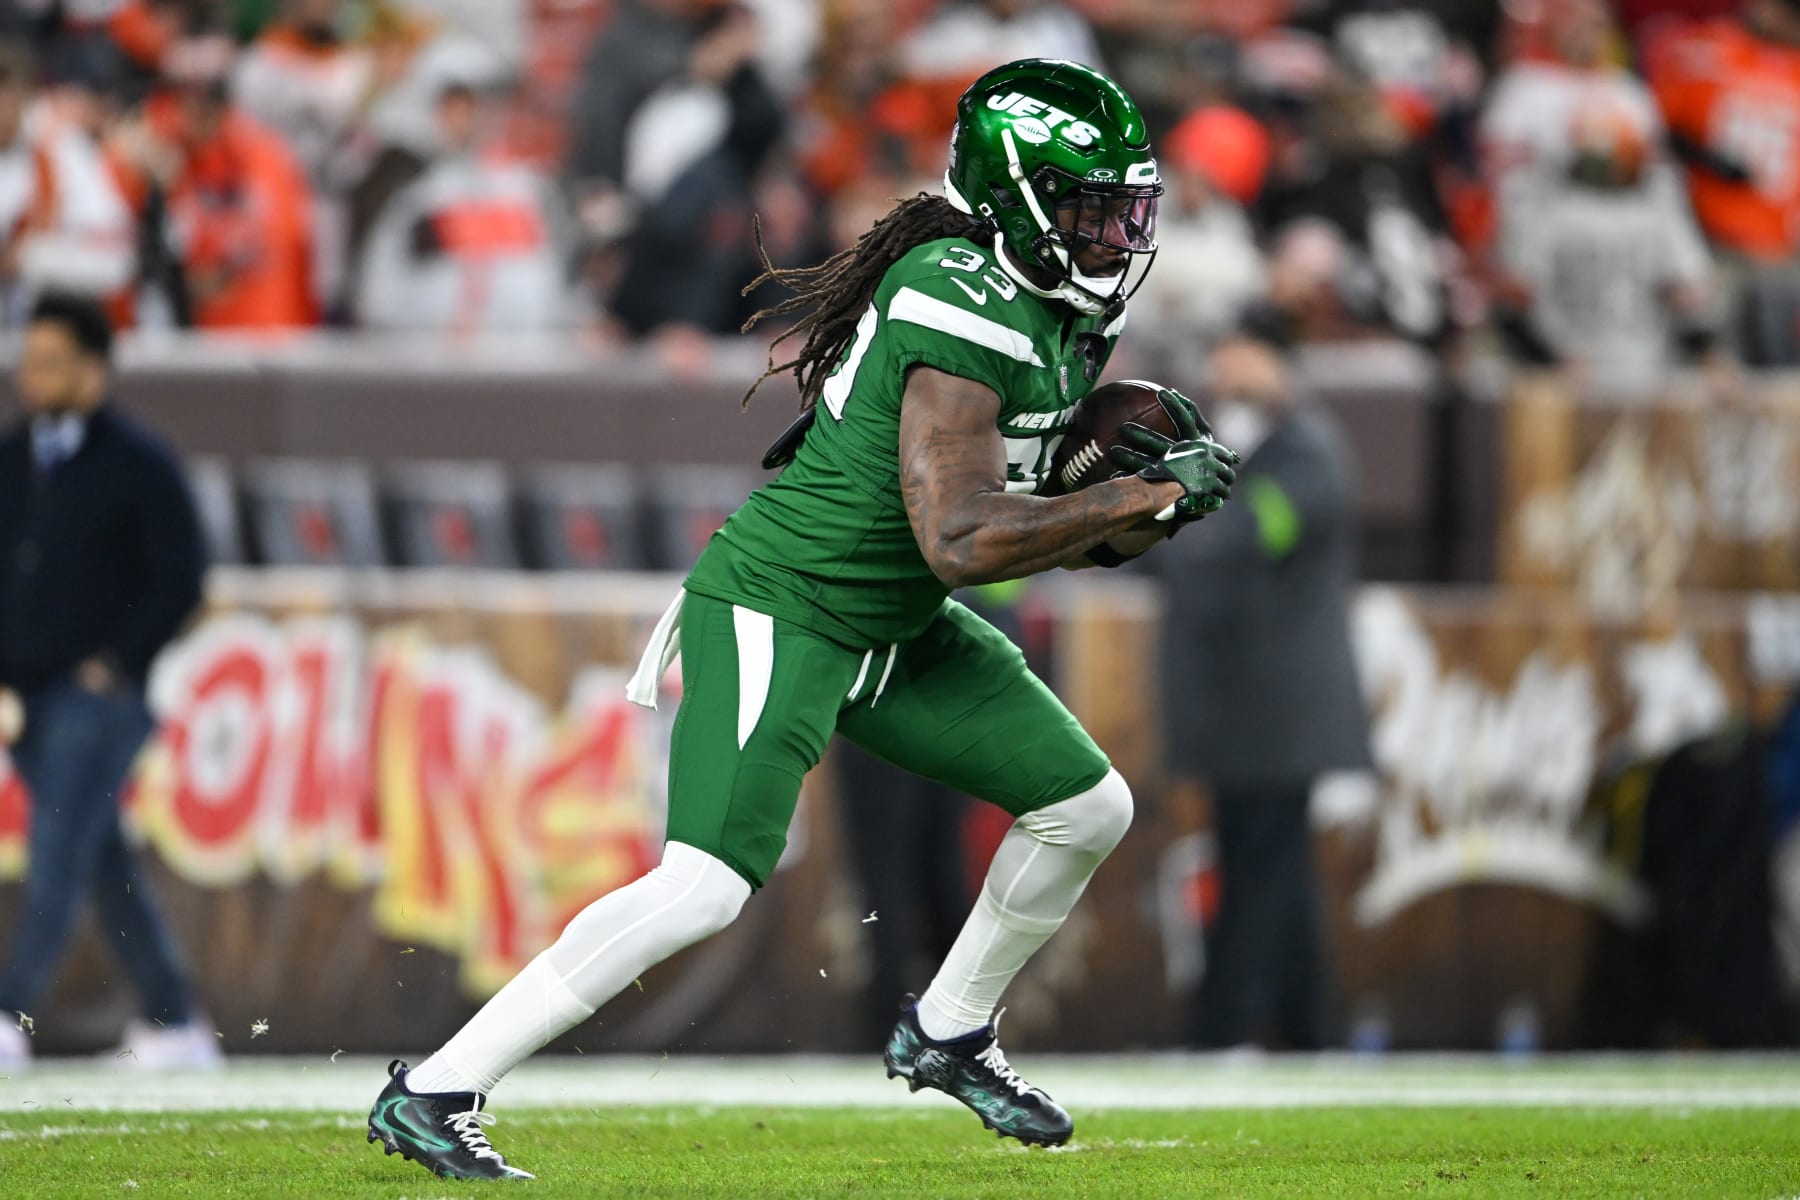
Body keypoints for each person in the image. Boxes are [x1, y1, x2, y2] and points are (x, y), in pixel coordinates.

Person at [365, 59, 1238, 1180]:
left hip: (891, 623)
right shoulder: (960, 293)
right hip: (786, 603)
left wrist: (1140, 512)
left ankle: (950, 1029)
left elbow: (1042, 535)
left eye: (1125, 210)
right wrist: (1129, 496)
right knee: (704, 884)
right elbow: (964, 538)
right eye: (1088, 207)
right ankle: (437, 1088)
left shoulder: (1057, 311)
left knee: (1085, 807)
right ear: (1018, 199)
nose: (1115, 235)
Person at [0, 292, 214, 1070]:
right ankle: (175, 1019)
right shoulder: (11, 458)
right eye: (29, 361)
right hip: (25, 696)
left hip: (98, 700)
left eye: (52, 362)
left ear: (94, 370)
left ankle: (8, 1011)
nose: (33, 377)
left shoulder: (139, 463)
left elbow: (180, 577)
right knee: (100, 862)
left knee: (57, 852)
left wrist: (119, 661)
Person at [1148, 324, 1369, 1050]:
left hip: (1280, 710)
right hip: (1248, 711)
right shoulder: (1253, 448)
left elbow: (1240, 539)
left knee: (1258, 871)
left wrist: (1165, 514)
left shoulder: (1305, 454)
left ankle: (1222, 1028)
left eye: (1242, 356)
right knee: (1273, 868)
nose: (1227, 372)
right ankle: (1310, 1031)